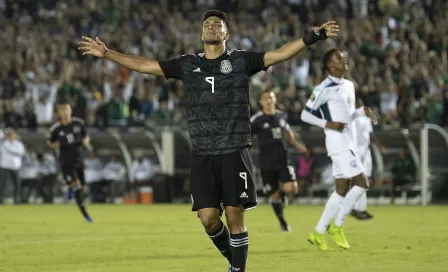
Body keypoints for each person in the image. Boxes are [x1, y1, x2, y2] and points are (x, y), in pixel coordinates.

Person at [78, 10, 339, 271]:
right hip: (202, 152)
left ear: (227, 33)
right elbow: (147, 66)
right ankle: (235, 261)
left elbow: (280, 53)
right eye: (207, 25)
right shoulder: (188, 64)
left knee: (235, 216)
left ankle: (238, 269)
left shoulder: (240, 61)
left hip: (234, 150)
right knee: (208, 219)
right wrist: (108, 53)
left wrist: (314, 36)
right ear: (202, 33)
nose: (211, 27)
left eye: (217, 25)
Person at [301, 49, 377, 250]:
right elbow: (305, 115)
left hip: (348, 141)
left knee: (341, 189)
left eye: (344, 58)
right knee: (362, 183)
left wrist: (362, 111)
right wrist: (328, 124)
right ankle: (338, 225)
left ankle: (318, 232)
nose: (344, 61)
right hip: (338, 143)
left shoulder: (349, 85)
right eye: (339, 59)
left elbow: (348, 115)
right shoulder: (323, 88)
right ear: (330, 66)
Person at [250, 89, 307, 232]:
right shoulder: (257, 119)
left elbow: (287, 131)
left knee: (292, 188)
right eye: (265, 98)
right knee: (274, 195)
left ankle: (284, 197)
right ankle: (282, 222)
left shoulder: (282, 115)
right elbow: (245, 135)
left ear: (274, 100)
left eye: (271, 97)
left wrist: (297, 144)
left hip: (283, 159)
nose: (268, 100)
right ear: (261, 102)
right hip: (266, 163)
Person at [47, 100, 93, 222]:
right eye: (62, 110)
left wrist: (86, 141)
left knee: (82, 187)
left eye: (66, 109)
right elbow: (50, 142)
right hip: (66, 161)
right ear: (59, 113)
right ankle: (85, 215)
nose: (65, 112)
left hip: (79, 159)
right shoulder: (56, 129)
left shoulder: (79, 123)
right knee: (77, 186)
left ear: (70, 110)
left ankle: (71, 189)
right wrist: (56, 145)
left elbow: (85, 136)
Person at [350, 99, 385, 220]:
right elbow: (371, 136)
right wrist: (380, 147)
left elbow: (369, 136)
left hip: (363, 152)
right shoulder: (360, 119)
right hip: (359, 152)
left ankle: (359, 208)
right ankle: (357, 208)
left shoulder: (353, 119)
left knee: (363, 182)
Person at [0, 129, 25, 204]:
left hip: (15, 166)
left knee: (17, 183)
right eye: (9, 135)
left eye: (12, 135)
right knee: (2, 184)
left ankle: (17, 199)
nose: (11, 136)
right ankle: (1, 199)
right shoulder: (3, 144)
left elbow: (21, 152)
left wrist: (10, 149)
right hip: (4, 166)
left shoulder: (18, 144)